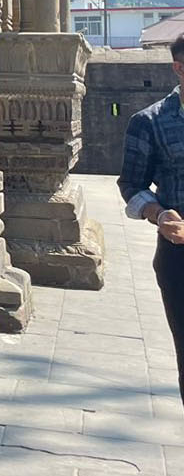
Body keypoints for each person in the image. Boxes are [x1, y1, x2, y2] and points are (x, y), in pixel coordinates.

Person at [118, 33, 184, 405]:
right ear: (178, 68)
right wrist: (158, 214)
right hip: (179, 256)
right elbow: (131, 184)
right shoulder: (149, 122)